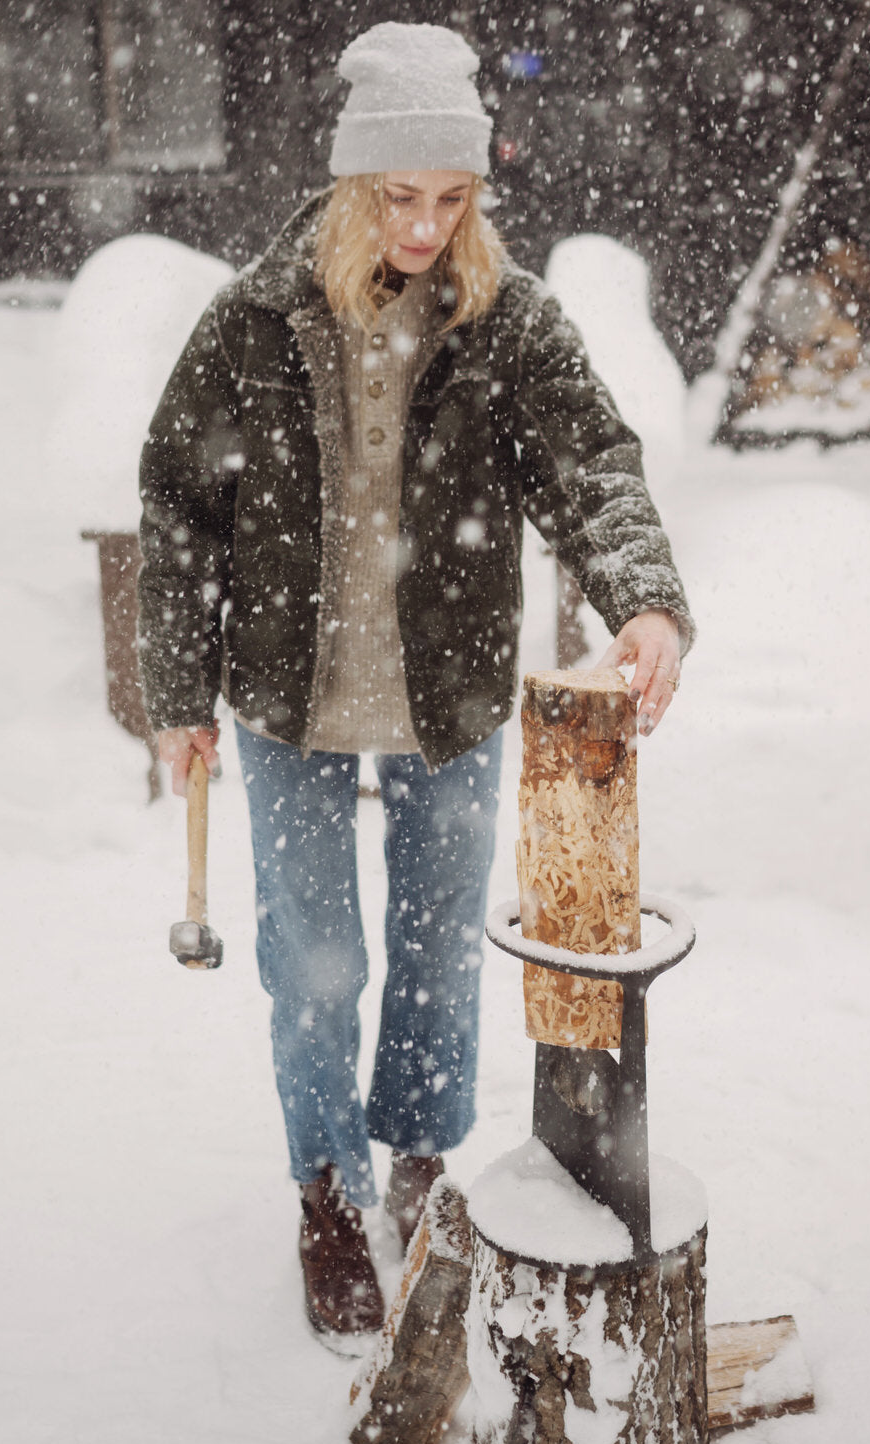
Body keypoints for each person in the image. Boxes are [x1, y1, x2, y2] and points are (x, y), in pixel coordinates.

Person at [137, 21, 695, 1351]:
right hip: (289, 689)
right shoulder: (257, 318)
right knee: (320, 964)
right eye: (402, 199)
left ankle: (417, 1165)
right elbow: (177, 503)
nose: (428, 227)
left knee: (440, 959)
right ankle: (326, 1186)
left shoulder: (504, 318)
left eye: (453, 200)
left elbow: (592, 461)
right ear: (350, 188)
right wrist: (175, 692)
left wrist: (647, 597)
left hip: (442, 700)